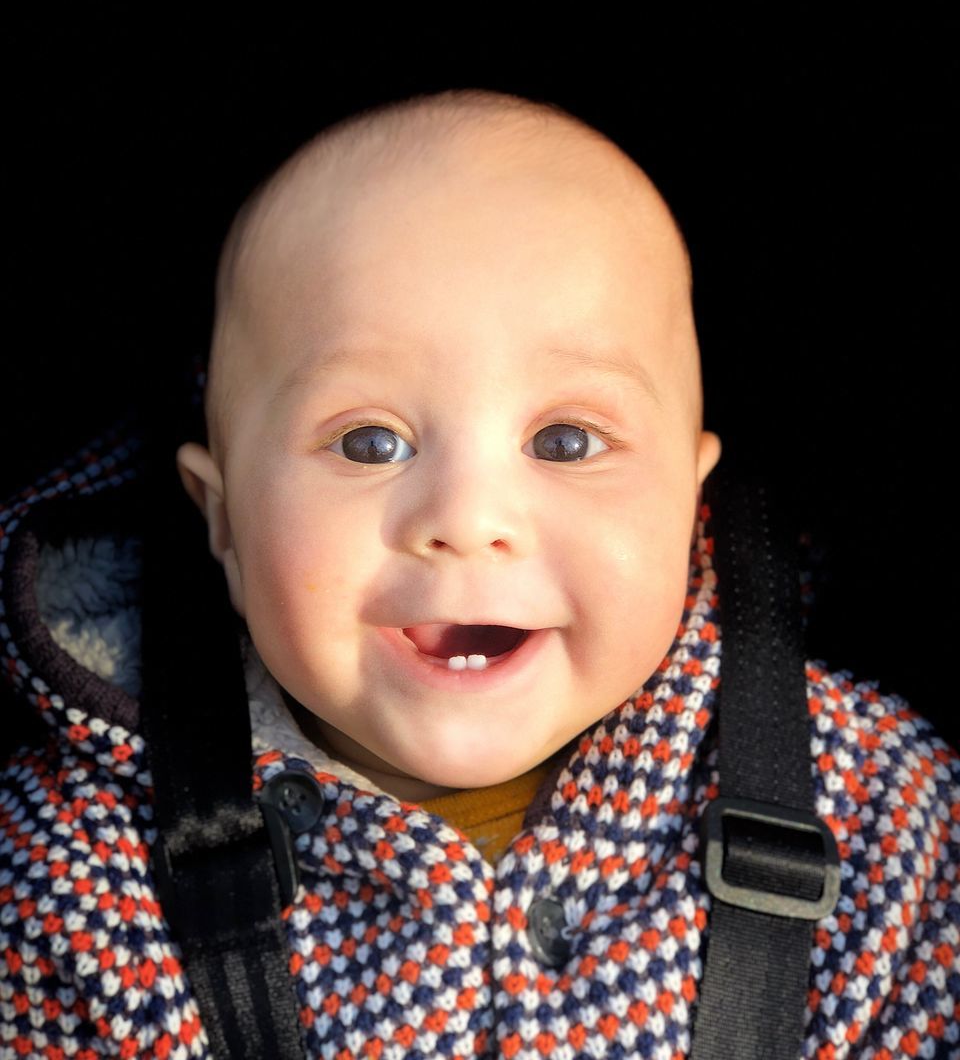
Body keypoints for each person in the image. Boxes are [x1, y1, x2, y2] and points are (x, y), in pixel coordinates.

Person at [1, 89, 957, 1059]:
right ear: (225, 517)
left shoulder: (870, 809)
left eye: (567, 438)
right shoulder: (76, 868)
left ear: (689, 502)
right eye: (370, 441)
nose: (468, 519)